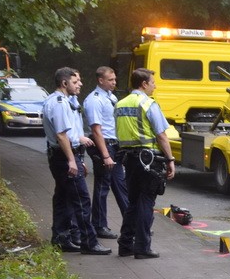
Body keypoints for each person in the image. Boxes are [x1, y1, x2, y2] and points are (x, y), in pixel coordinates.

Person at [41, 68, 112, 255]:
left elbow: (69, 133)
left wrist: (78, 157)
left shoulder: (61, 101)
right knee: (82, 200)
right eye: (75, 81)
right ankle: (89, 242)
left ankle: (61, 238)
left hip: (64, 155)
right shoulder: (58, 103)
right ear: (64, 83)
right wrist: (72, 161)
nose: (80, 84)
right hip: (64, 156)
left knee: (63, 198)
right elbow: (61, 135)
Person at [115, 68, 176, 259]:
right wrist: (170, 160)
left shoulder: (120, 104)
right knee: (146, 202)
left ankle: (125, 245)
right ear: (144, 84)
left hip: (129, 159)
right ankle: (142, 247)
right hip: (148, 159)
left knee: (133, 202)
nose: (155, 85)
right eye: (153, 82)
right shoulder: (148, 104)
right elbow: (161, 134)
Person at [83, 66, 129, 239]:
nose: (114, 83)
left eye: (115, 79)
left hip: (114, 145)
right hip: (105, 146)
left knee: (120, 184)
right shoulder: (94, 100)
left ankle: (130, 221)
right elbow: (96, 130)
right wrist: (105, 155)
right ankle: (99, 225)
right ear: (100, 80)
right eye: (110, 80)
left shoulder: (112, 97)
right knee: (103, 186)